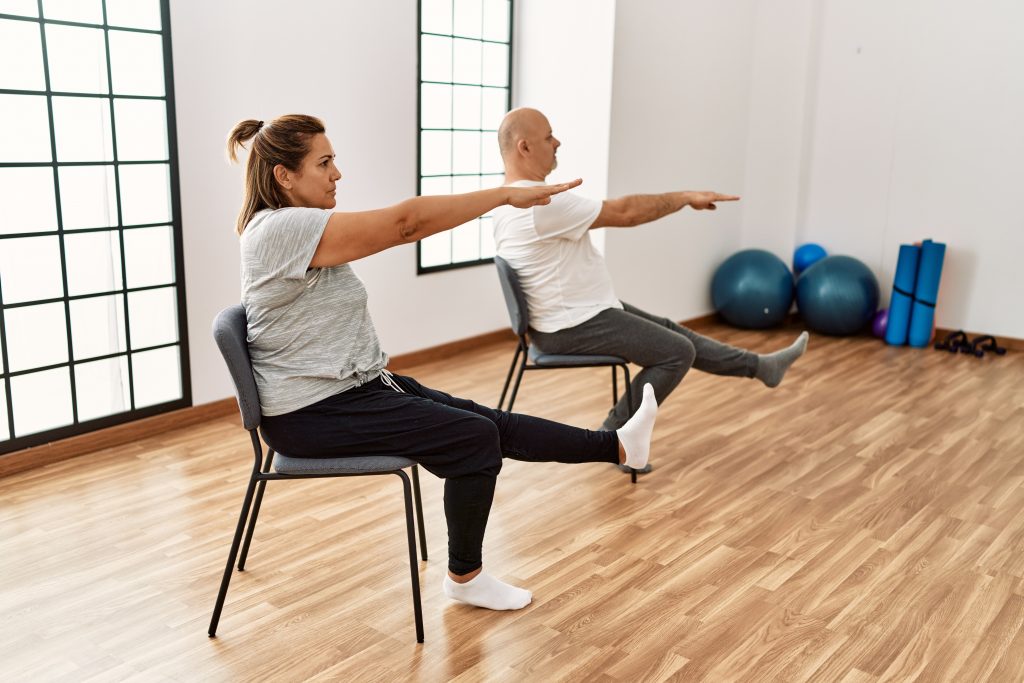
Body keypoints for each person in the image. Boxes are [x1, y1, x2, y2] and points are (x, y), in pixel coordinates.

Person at [226, 114, 659, 612]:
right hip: (310, 414)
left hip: (353, 390)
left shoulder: (299, 227)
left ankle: (620, 446)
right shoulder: (279, 230)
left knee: (485, 422)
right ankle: (465, 577)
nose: (336, 174)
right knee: (473, 439)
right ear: (284, 176)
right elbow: (404, 223)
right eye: (324, 163)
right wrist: (502, 195)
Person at [492, 108, 808, 467]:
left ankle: (761, 367)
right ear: (525, 147)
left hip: (577, 313)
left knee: (672, 333)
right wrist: (686, 197)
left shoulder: (506, 201)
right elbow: (626, 212)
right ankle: (614, 438)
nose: (557, 141)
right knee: (677, 352)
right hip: (570, 325)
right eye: (549, 136)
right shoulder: (541, 202)